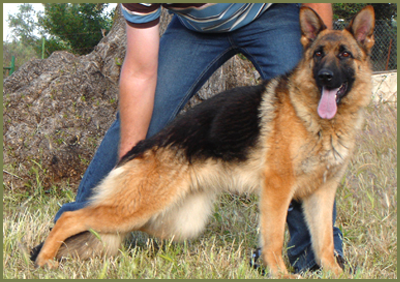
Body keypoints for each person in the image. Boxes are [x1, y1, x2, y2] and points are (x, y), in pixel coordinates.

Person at [53, 3, 343, 274]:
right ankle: (77, 233)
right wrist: (129, 172)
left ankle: (312, 257)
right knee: (143, 113)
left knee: (303, 122)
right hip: (196, 28)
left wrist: (324, 50)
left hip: (270, 13)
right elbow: (140, 74)